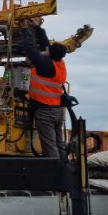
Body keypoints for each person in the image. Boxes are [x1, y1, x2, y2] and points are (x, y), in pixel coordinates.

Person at [23, 27, 71, 159]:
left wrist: (25, 29)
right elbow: (46, 46)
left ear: (50, 54)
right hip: (57, 110)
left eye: (48, 50)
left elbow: (30, 49)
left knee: (49, 146)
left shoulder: (46, 65)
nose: (46, 49)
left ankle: (54, 168)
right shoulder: (59, 63)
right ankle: (63, 165)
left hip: (45, 112)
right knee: (59, 143)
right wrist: (38, 28)